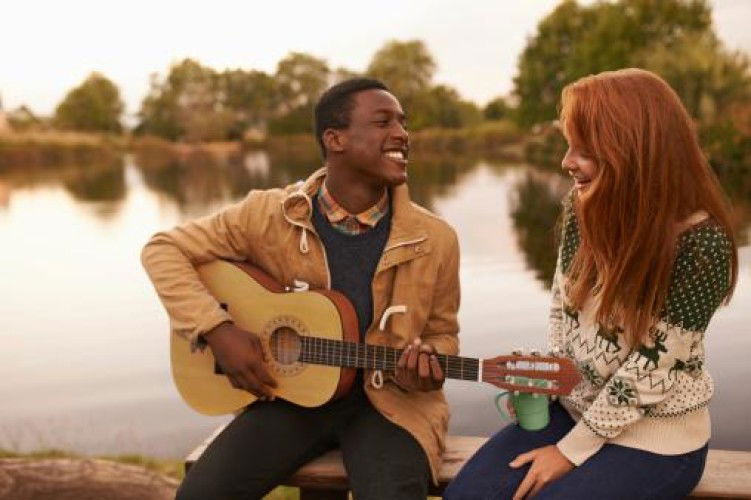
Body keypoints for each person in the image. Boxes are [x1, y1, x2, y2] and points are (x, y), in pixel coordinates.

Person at [141, 78, 460, 500]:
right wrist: (216, 329)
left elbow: (443, 334)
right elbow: (163, 249)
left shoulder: (436, 238)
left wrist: (427, 363)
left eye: (403, 123)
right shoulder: (267, 214)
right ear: (335, 139)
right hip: (289, 397)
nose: (402, 133)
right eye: (384, 122)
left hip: (393, 406)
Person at [444, 68, 738, 500]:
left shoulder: (702, 243)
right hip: (573, 412)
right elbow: (562, 310)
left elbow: (652, 368)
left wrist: (569, 452)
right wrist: (551, 381)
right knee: (468, 495)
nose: (566, 162)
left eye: (583, 149)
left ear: (632, 150)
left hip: (657, 440)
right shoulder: (581, 207)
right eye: (569, 145)